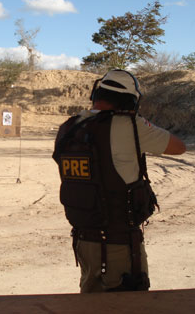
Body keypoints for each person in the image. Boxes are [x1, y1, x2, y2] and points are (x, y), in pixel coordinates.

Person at [53, 69, 185, 293]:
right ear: (131, 101)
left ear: (97, 94)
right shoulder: (130, 125)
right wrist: (138, 121)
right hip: (119, 242)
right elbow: (178, 147)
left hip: (84, 241)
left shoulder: (69, 128)